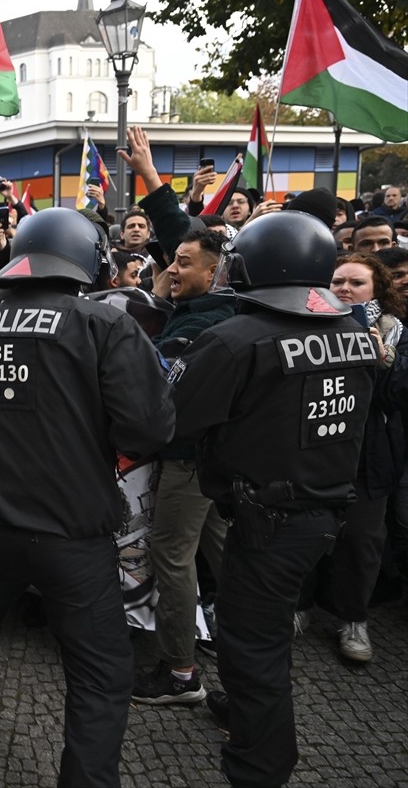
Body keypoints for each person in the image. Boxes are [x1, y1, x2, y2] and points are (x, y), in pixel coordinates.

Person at [0, 207, 175, 788]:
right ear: (88, 260)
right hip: (74, 534)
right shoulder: (106, 325)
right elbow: (147, 430)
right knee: (99, 671)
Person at [167, 211, 380, 788]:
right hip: (322, 511)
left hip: (268, 518)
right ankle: (242, 709)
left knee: (251, 645)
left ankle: (259, 767)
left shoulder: (235, 339)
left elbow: (172, 418)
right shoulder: (355, 332)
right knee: (259, 630)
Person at [132, 229, 234, 706]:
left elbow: (150, 376)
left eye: (185, 263)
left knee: (172, 555)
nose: (173, 268)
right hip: (211, 459)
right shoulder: (203, 311)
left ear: (214, 273)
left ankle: (179, 673)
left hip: (188, 460)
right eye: (173, 259)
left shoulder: (202, 324)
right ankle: (244, 650)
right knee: (224, 553)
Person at [295, 254, 404, 661]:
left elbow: (398, 395)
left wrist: (383, 360)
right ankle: (299, 606)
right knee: (305, 536)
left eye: (356, 283)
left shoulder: (395, 333)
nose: (344, 288)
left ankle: (353, 618)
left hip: (368, 458)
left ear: (378, 290)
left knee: (361, 543)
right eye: (337, 281)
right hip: (316, 451)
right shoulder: (307, 325)